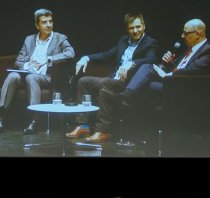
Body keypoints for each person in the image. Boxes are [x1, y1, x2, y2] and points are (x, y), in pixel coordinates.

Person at [65, 12, 159, 142]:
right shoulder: (123, 40)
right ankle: (82, 125)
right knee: (83, 81)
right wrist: (86, 57)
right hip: (113, 79)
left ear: (144, 25)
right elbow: (107, 54)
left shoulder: (150, 42)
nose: (135, 31)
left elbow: (151, 59)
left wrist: (131, 64)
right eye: (131, 28)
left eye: (138, 27)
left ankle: (103, 130)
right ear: (127, 29)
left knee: (106, 84)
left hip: (128, 83)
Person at [104, 18, 210, 109]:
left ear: (198, 34)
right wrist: (167, 63)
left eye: (185, 33)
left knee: (143, 85)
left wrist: (168, 75)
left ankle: (125, 99)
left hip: (183, 89)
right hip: (172, 83)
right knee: (146, 68)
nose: (182, 36)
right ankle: (126, 98)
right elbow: (177, 66)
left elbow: (193, 70)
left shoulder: (209, 50)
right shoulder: (189, 50)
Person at [0, 8, 75, 134]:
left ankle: (34, 119)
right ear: (37, 25)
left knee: (31, 78)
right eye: (44, 22)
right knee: (12, 76)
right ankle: (1, 117)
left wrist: (48, 59)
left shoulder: (60, 38)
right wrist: (27, 65)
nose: (48, 25)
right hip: (27, 74)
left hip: (45, 77)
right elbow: (18, 62)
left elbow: (70, 53)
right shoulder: (29, 40)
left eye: (50, 21)